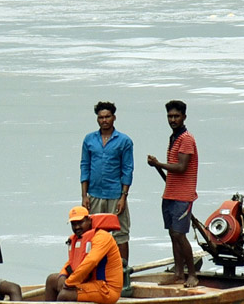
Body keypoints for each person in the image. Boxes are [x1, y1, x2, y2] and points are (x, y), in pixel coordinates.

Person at [146, 100, 199, 287]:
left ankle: (191, 274)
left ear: (184, 117)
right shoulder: (174, 137)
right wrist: (158, 164)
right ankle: (178, 273)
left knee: (179, 234)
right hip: (170, 193)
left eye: (176, 116)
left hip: (183, 195)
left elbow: (182, 167)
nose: (173, 119)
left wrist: (158, 164)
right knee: (172, 233)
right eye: (170, 116)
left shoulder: (186, 139)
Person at [80, 100, 133, 267]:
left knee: (120, 234)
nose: (104, 120)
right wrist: (84, 196)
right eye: (101, 117)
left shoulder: (124, 141)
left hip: (115, 194)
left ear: (114, 118)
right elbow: (84, 166)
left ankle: (123, 272)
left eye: (107, 117)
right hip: (94, 195)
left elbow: (127, 169)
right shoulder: (89, 139)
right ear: (97, 119)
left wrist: (123, 197)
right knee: (93, 234)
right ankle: (96, 270)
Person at [44, 206, 123, 304]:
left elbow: (91, 261)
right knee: (52, 280)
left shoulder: (102, 237)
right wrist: (63, 276)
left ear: (89, 220)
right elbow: (71, 262)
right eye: (74, 224)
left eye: (80, 222)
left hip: (106, 289)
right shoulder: (78, 239)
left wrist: (69, 283)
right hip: (89, 283)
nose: (77, 227)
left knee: (65, 295)